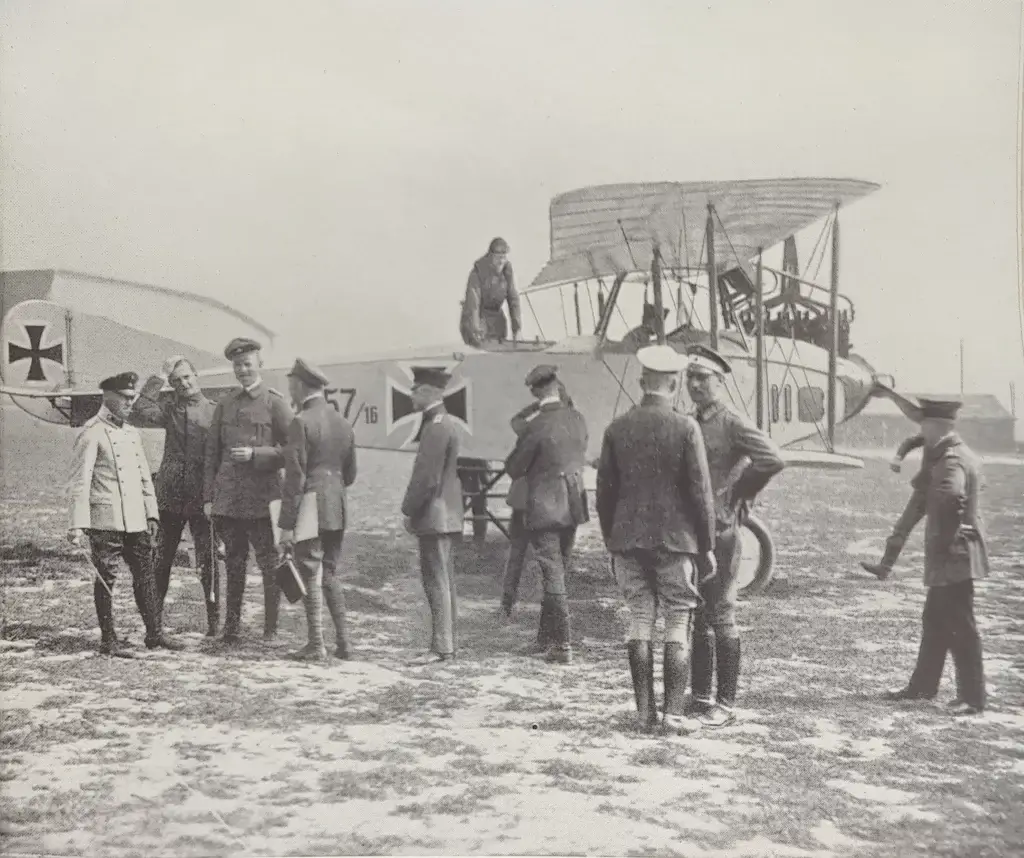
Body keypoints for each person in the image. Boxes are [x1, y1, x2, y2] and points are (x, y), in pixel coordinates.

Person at [596, 345, 716, 734]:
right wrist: (708, 545)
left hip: (628, 540)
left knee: (640, 620)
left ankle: (644, 713)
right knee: (678, 620)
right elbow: (700, 492)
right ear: (676, 382)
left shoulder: (617, 428)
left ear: (641, 382)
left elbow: (604, 495)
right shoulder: (686, 427)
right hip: (675, 542)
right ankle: (674, 714)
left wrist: (612, 539)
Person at [685, 344, 786, 727]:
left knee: (721, 614)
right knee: (696, 614)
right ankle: (698, 695)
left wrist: (740, 494)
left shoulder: (733, 423)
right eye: (690, 377)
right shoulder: (689, 421)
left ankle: (725, 704)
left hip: (722, 533)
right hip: (692, 533)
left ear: (720, 383)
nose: (695, 384)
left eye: (703, 378)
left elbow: (773, 458)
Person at [882, 399, 989, 716]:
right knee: (936, 620)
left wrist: (946, 531)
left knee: (961, 624)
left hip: (953, 554)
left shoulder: (951, 458)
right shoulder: (953, 452)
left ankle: (973, 698)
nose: (921, 429)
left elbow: (952, 494)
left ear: (936, 426)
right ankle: (923, 687)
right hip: (953, 554)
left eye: (924, 424)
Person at [67, 371, 183, 656]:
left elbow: (145, 478)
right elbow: (80, 481)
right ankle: (109, 640)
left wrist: (152, 514)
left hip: (136, 520)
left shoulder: (132, 433)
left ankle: (155, 634)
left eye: (133, 398)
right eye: (126, 398)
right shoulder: (92, 432)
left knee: (146, 576)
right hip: (106, 520)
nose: (131, 404)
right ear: (109, 398)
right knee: (106, 577)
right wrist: (78, 524)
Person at [203, 337, 293, 644]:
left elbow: (293, 450)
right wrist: (209, 496)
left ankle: (271, 628)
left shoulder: (275, 402)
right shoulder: (226, 404)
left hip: (263, 498)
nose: (242, 370)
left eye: (247, 364)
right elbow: (211, 453)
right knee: (234, 564)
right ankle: (231, 628)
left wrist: (258, 455)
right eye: (237, 365)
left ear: (260, 365)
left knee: (270, 564)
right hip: (231, 500)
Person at [505, 365, 589, 665]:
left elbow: (514, 467)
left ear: (536, 391)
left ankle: (562, 644)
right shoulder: (578, 419)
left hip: (544, 505)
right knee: (558, 572)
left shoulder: (536, 425)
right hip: (574, 503)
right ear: (558, 385)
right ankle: (546, 638)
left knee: (552, 575)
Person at [130, 355, 219, 635]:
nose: (183, 383)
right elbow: (139, 412)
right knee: (161, 562)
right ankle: (154, 628)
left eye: (187, 377)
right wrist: (158, 375)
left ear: (196, 376)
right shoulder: (170, 410)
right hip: (169, 497)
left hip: (203, 499)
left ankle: (215, 627)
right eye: (176, 380)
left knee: (209, 564)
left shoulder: (216, 412)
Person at [279, 358, 358, 663]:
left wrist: (286, 524)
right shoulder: (342, 421)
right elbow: (350, 474)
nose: (290, 393)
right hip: (337, 505)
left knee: (309, 572)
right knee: (331, 573)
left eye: (291, 386)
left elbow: (295, 478)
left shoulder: (301, 422)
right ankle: (345, 643)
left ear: (300, 386)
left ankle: (316, 644)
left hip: (311, 504)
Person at [401, 367, 464, 664]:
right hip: (446, 513)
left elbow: (426, 478)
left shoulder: (436, 426)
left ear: (429, 392)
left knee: (435, 580)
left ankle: (441, 646)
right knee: (443, 579)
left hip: (434, 514)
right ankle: (445, 643)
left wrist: (408, 510)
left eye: (416, 389)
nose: (411, 394)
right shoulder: (442, 423)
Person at [500, 379, 573, 619]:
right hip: (558, 504)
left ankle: (506, 607)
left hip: (524, 500)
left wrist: (536, 407)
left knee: (516, 557)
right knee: (556, 565)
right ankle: (551, 618)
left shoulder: (533, 428)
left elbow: (515, 421)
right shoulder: (570, 429)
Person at [861, 433, 928, 580]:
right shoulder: (935, 430)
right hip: (925, 491)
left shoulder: (948, 438)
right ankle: (884, 568)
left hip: (944, 492)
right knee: (901, 528)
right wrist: (898, 458)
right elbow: (911, 441)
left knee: (945, 535)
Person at [460, 237, 521, 347]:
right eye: (498, 258)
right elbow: (473, 304)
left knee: (500, 346)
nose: (501, 262)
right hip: (477, 317)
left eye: (504, 258)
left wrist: (517, 328)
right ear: (490, 257)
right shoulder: (478, 272)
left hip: (496, 318)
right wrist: (476, 329)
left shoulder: (507, 270)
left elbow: (513, 299)